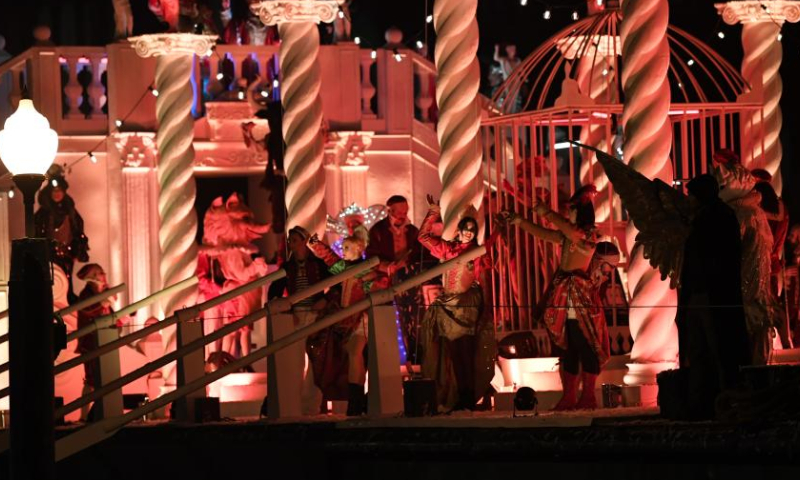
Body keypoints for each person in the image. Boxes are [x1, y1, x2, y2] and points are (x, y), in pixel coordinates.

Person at [499, 185, 609, 410]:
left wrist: (542, 210)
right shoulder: (571, 236)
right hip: (565, 297)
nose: (568, 214)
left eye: (571, 210)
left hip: (580, 299)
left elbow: (568, 230)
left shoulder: (586, 235)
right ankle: (569, 397)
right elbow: (543, 233)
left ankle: (588, 397)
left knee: (584, 344)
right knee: (569, 348)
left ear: (579, 213)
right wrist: (518, 220)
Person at [676, 174, 751, 419]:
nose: (688, 200)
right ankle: (701, 403)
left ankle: (724, 400)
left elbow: (718, 259)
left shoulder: (719, 217)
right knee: (698, 349)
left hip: (713, 294)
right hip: (700, 293)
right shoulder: (703, 218)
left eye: (691, 195)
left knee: (719, 347)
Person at [418, 196, 495, 412]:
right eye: (466, 227)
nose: (469, 231)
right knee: (450, 354)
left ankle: (469, 397)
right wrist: (433, 212)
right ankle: (457, 396)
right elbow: (423, 237)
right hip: (447, 307)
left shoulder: (477, 252)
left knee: (467, 354)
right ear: (459, 229)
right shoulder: (447, 249)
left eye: (473, 228)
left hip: (466, 307)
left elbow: (486, 273)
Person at [712, 150, 776, 364]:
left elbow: (728, 247)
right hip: (750, 283)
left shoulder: (742, 213)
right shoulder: (751, 210)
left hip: (745, 283)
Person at [308, 228, 376, 416]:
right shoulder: (344, 268)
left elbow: (375, 284)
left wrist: (370, 279)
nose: (343, 250)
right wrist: (315, 244)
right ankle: (356, 400)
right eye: (343, 247)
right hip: (346, 319)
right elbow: (329, 258)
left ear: (358, 248)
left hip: (361, 318)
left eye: (347, 247)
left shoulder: (366, 268)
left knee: (355, 353)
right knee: (352, 356)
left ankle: (356, 401)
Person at [267, 226, 331, 414]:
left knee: (315, 361)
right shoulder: (288, 267)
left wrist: (325, 300)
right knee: (295, 361)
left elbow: (336, 284)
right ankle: (292, 402)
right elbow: (274, 292)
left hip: (315, 315)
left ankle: (310, 404)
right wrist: (286, 310)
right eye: (290, 240)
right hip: (296, 316)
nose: (291, 244)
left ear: (303, 242)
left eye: (295, 240)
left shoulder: (318, 265)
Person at [366, 195, 429, 362]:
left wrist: (407, 264)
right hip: (384, 282)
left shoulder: (414, 231)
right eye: (400, 211)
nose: (403, 214)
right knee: (384, 318)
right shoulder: (377, 231)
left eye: (405, 211)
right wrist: (385, 266)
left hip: (407, 282)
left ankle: (414, 356)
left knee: (413, 319)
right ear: (390, 210)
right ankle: (386, 357)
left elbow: (419, 255)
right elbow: (371, 257)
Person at [35, 165, 90, 303]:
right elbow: (37, 234)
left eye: (59, 191)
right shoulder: (43, 214)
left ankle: (68, 299)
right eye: (54, 191)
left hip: (67, 254)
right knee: (51, 281)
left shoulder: (70, 211)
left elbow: (78, 230)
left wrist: (79, 249)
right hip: (49, 255)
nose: (57, 194)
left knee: (67, 279)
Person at [75, 264, 118, 421]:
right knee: (92, 379)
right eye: (100, 273)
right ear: (93, 277)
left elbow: (109, 315)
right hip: (91, 342)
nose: (104, 275)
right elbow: (88, 309)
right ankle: (86, 415)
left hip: (106, 341)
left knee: (105, 378)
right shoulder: (86, 294)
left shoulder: (103, 294)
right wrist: (102, 304)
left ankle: (101, 411)